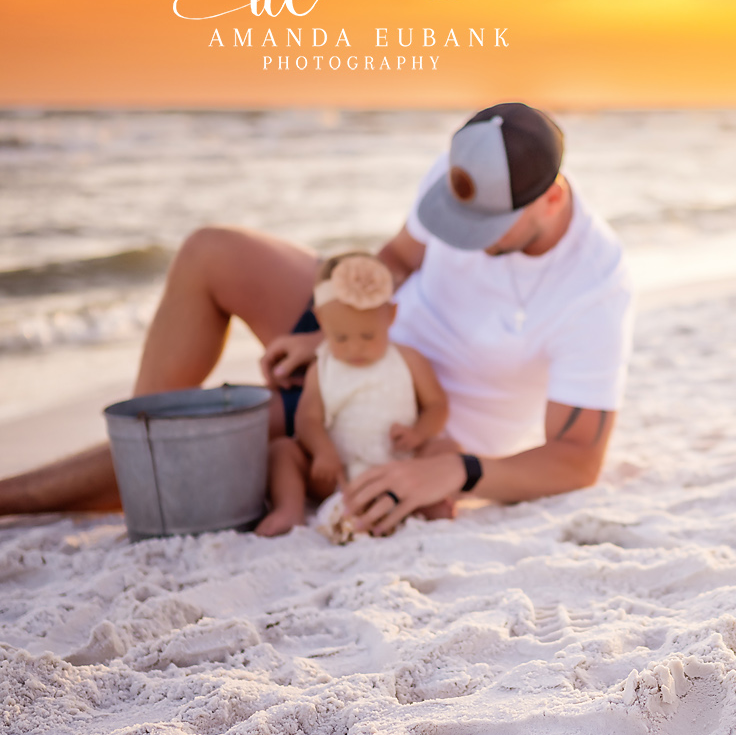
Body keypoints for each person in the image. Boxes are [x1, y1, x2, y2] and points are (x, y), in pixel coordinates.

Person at [0, 102, 634, 534]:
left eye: (484, 227)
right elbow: (398, 258)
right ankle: (150, 451)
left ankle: (38, 490)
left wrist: (456, 470)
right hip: (365, 326)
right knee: (211, 252)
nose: (462, 235)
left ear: (552, 198)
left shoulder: (594, 286)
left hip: (407, 417)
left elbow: (576, 459)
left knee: (225, 424)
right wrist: (326, 330)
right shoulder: (463, 178)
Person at [258, 252, 449, 538]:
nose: (354, 348)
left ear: (391, 315)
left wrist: (418, 434)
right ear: (321, 321)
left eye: (368, 336)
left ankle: (429, 502)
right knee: (283, 451)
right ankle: (289, 509)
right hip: (335, 473)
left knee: (445, 448)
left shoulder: (408, 360)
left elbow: (437, 405)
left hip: (399, 468)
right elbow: (307, 419)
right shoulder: (322, 368)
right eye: (341, 337)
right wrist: (322, 450)